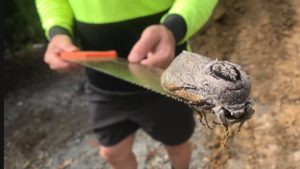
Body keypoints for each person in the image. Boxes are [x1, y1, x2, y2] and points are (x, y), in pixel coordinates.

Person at [35, 1, 218, 169]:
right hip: (103, 83)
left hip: (165, 78)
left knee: (177, 145)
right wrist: (57, 32)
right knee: (112, 153)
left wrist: (173, 27)